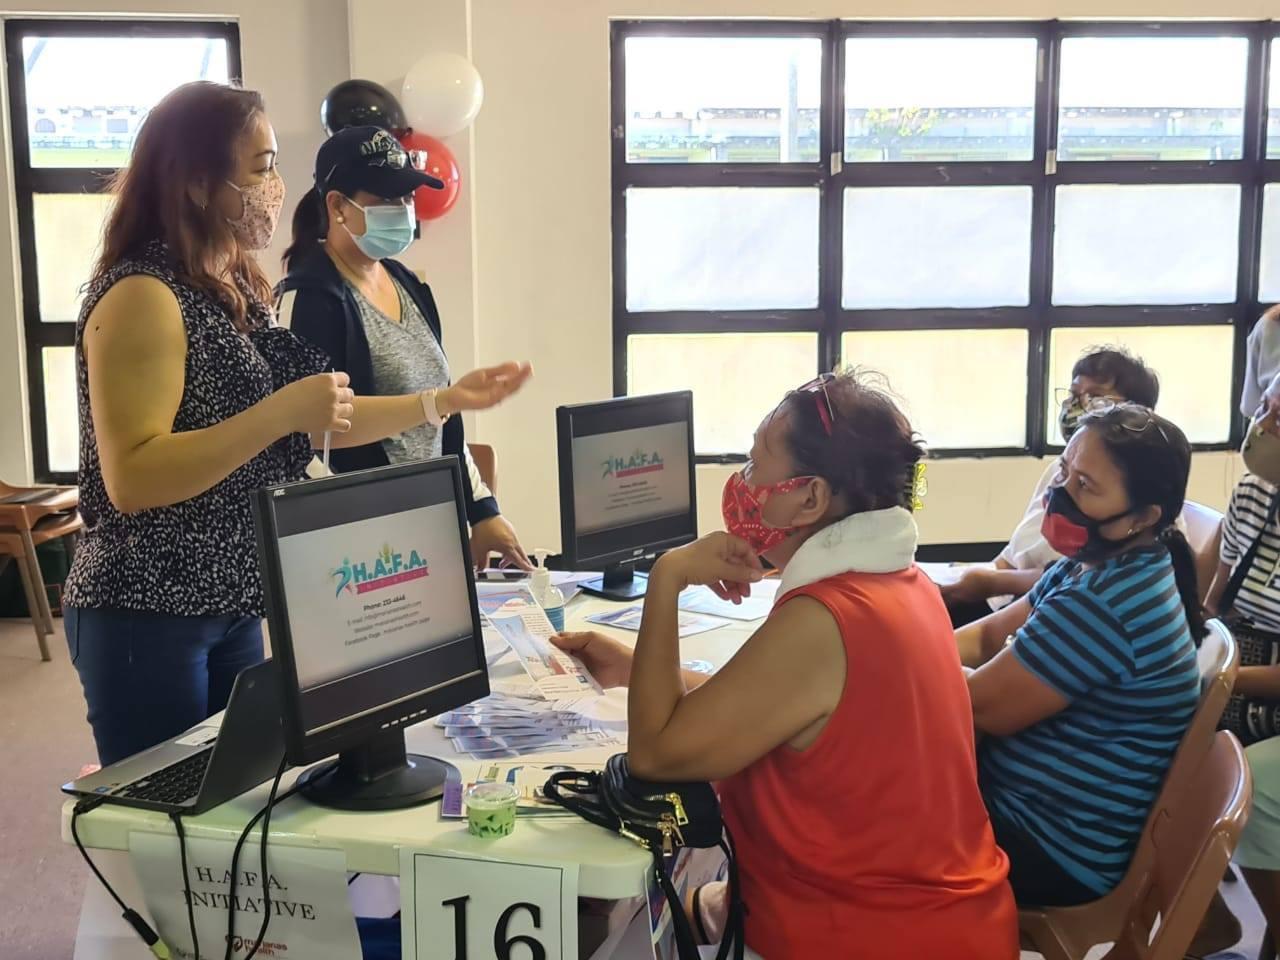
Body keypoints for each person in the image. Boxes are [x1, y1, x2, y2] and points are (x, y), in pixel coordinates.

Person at [62, 83, 530, 767]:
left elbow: (326, 414)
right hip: (147, 605)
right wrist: (276, 414)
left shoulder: (233, 283)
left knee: (238, 802)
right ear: (197, 184)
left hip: (231, 595)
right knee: (166, 821)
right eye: (261, 167)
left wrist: (443, 402)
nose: (278, 188)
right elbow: (132, 475)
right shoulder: (143, 295)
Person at [553, 371, 1018, 959]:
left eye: (754, 466)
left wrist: (667, 577)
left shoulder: (824, 620)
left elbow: (654, 755)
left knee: (620, 933)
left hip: (868, 937)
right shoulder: (902, 583)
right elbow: (793, 707)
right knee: (655, 918)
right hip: (934, 923)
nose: (742, 483)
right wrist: (631, 667)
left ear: (810, 498)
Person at [957, 403, 1201, 907]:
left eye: (1086, 486)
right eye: (1065, 471)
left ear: (1142, 517)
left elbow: (978, 707)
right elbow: (984, 639)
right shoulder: (1093, 565)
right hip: (1022, 805)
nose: (1059, 494)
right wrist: (905, 651)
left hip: (1050, 845)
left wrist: (883, 665)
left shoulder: (1107, 606)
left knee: (857, 802)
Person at [277, 125, 529, 571]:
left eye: (408, 199)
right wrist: (440, 402)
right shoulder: (309, 298)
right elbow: (316, 435)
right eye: (387, 200)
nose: (404, 211)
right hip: (359, 547)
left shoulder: (408, 284)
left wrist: (482, 511)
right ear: (337, 206)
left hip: (427, 527)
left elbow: (441, 425)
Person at [941, 347, 1161, 624]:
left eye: (1093, 398)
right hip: (1008, 602)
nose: (1077, 406)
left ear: (1136, 414)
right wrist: (967, 575)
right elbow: (1012, 555)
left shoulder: (1138, 499)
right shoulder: (1059, 470)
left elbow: (1076, 577)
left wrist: (991, 582)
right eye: (1073, 395)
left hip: (1040, 609)